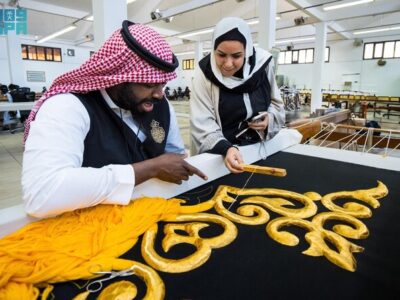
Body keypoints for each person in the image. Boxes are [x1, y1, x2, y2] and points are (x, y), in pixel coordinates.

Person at [22, 21, 207, 218]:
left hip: (154, 211)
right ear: (118, 76)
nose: (159, 95)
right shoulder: (67, 106)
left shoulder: (161, 105)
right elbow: (42, 193)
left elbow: (174, 156)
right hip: (93, 224)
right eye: (150, 85)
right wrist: (151, 168)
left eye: (162, 84)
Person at [190, 17, 285, 173]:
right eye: (221, 55)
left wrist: (270, 118)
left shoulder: (263, 66)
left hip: (260, 150)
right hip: (222, 159)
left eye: (236, 56)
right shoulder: (204, 73)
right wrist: (226, 148)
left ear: (247, 52)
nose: (228, 64)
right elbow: (202, 123)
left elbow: (276, 104)